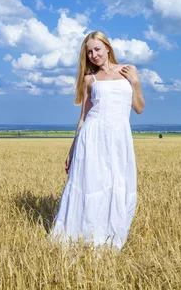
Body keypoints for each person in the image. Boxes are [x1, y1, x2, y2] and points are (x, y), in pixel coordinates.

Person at [50, 31, 145, 251]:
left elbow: (139, 108)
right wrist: (72, 150)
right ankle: (87, 234)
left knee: (118, 185)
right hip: (91, 138)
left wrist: (136, 83)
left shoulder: (128, 71)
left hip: (119, 139)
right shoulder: (89, 79)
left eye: (97, 49)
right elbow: (83, 116)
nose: (93, 55)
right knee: (92, 184)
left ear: (108, 47)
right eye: (89, 52)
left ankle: (111, 235)